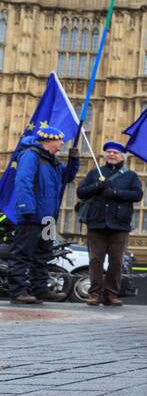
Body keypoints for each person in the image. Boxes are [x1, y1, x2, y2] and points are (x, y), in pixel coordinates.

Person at [6, 122, 78, 304]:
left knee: (42, 254)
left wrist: (74, 160)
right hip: (33, 215)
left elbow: (67, 177)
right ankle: (18, 291)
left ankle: (40, 289)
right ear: (49, 141)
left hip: (48, 218)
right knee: (23, 253)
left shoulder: (52, 161)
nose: (62, 144)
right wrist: (26, 208)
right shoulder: (31, 155)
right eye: (60, 141)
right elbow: (24, 181)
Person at [74, 140, 141, 307]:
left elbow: (137, 195)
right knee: (95, 260)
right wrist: (98, 185)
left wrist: (116, 192)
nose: (111, 154)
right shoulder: (95, 172)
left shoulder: (130, 176)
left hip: (119, 225)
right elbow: (81, 192)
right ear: (104, 155)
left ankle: (111, 294)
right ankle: (95, 293)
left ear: (122, 157)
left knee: (116, 262)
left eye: (115, 153)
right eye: (109, 152)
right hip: (96, 223)